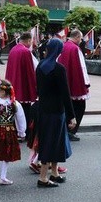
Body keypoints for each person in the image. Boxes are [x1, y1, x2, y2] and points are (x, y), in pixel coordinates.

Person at [35, 38, 76, 188]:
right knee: (52, 142)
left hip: (43, 109)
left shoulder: (40, 66)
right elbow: (65, 94)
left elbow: (38, 89)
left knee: (50, 140)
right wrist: (72, 116)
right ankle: (43, 177)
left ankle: (54, 173)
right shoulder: (59, 68)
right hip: (57, 111)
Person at [5, 31, 38, 167]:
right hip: (23, 87)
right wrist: (34, 86)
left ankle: (14, 132)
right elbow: (31, 71)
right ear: (29, 40)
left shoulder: (13, 49)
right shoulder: (25, 52)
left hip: (14, 85)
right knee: (24, 113)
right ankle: (23, 134)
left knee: (15, 112)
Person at [58, 30, 90, 141]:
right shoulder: (75, 49)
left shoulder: (63, 46)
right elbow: (82, 68)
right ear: (76, 37)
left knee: (67, 108)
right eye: (80, 38)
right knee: (79, 107)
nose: (80, 40)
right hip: (75, 83)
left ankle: (65, 130)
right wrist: (86, 83)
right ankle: (71, 130)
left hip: (64, 83)